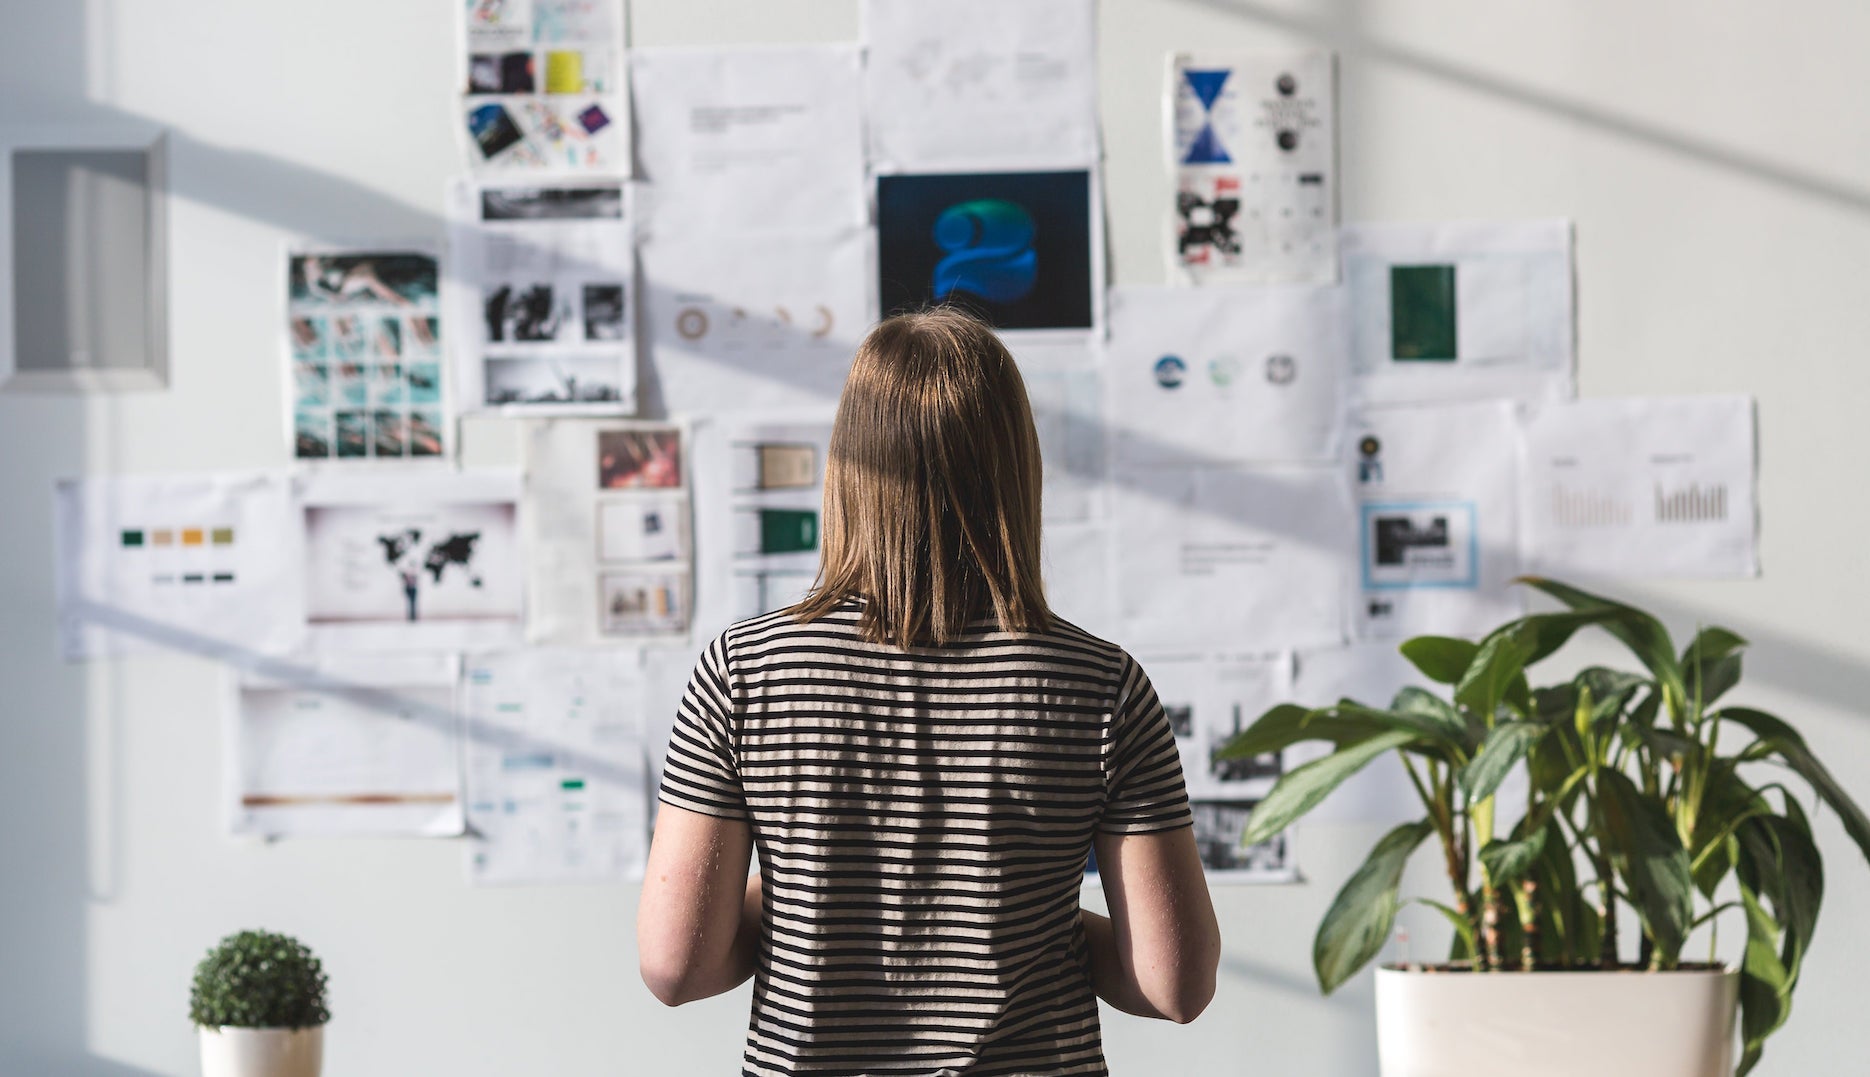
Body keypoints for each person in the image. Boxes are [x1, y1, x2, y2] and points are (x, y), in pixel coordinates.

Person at [638, 307, 1221, 1076]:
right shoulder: (1101, 684)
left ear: (847, 465)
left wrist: (809, 901)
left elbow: (677, 965)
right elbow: (1173, 984)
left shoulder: (743, 672)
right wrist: (1026, 917)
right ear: (1017, 466)